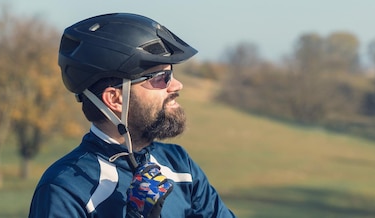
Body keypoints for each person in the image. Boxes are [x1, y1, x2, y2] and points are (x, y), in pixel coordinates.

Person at [29, 13, 236, 218]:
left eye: (171, 74)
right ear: (115, 99)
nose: (176, 86)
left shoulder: (179, 165)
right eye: (161, 78)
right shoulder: (65, 189)